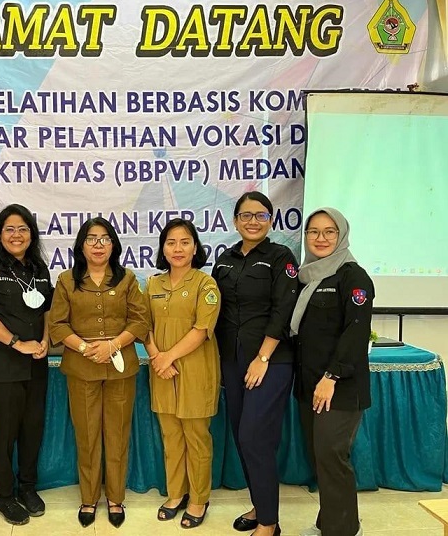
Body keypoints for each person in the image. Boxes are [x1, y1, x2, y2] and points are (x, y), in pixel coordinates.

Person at [48, 217, 149, 528]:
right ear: (81, 245)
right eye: (91, 239)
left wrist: (112, 345)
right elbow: (57, 325)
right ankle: (89, 498)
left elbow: (140, 321)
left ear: (114, 245)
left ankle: (115, 498)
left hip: (120, 368)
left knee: (117, 435)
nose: (98, 245)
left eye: (105, 239)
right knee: (88, 436)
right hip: (82, 368)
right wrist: (84, 348)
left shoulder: (127, 278)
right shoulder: (67, 280)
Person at [211, 191, 299, 536]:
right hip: (232, 361)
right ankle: (260, 506)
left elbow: (283, 309)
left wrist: (263, 357)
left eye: (261, 215)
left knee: (254, 437)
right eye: (246, 215)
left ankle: (269, 523)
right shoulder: (225, 259)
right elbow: (215, 310)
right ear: (235, 221)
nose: (253, 221)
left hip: (270, 361)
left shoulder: (281, 257)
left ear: (270, 221)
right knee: (241, 435)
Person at [290, 208, 374, 536]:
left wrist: (331, 377)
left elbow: (355, 332)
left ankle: (343, 531)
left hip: (339, 388)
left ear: (341, 235)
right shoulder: (307, 277)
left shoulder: (353, 276)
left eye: (329, 231)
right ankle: (332, 523)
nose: (321, 238)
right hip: (309, 385)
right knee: (319, 459)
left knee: (331, 456)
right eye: (314, 231)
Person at [0, 204, 53, 526]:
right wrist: (17, 343)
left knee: (33, 429)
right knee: (5, 434)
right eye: (9, 229)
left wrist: (45, 340)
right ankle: (4, 496)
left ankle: (28, 488)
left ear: (31, 234)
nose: (16, 235)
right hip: (3, 366)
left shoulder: (39, 268)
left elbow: (47, 310)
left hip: (37, 365)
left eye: (23, 229)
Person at [144, 219, 222, 529]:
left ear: (195, 247)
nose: (178, 248)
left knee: (197, 439)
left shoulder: (206, 284)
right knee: (171, 437)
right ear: (163, 249)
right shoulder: (152, 285)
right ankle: (176, 494)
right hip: (162, 372)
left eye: (185, 242)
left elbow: (202, 329)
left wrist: (167, 357)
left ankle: (198, 499)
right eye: (171, 242)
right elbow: (143, 326)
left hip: (195, 371)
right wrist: (157, 357)